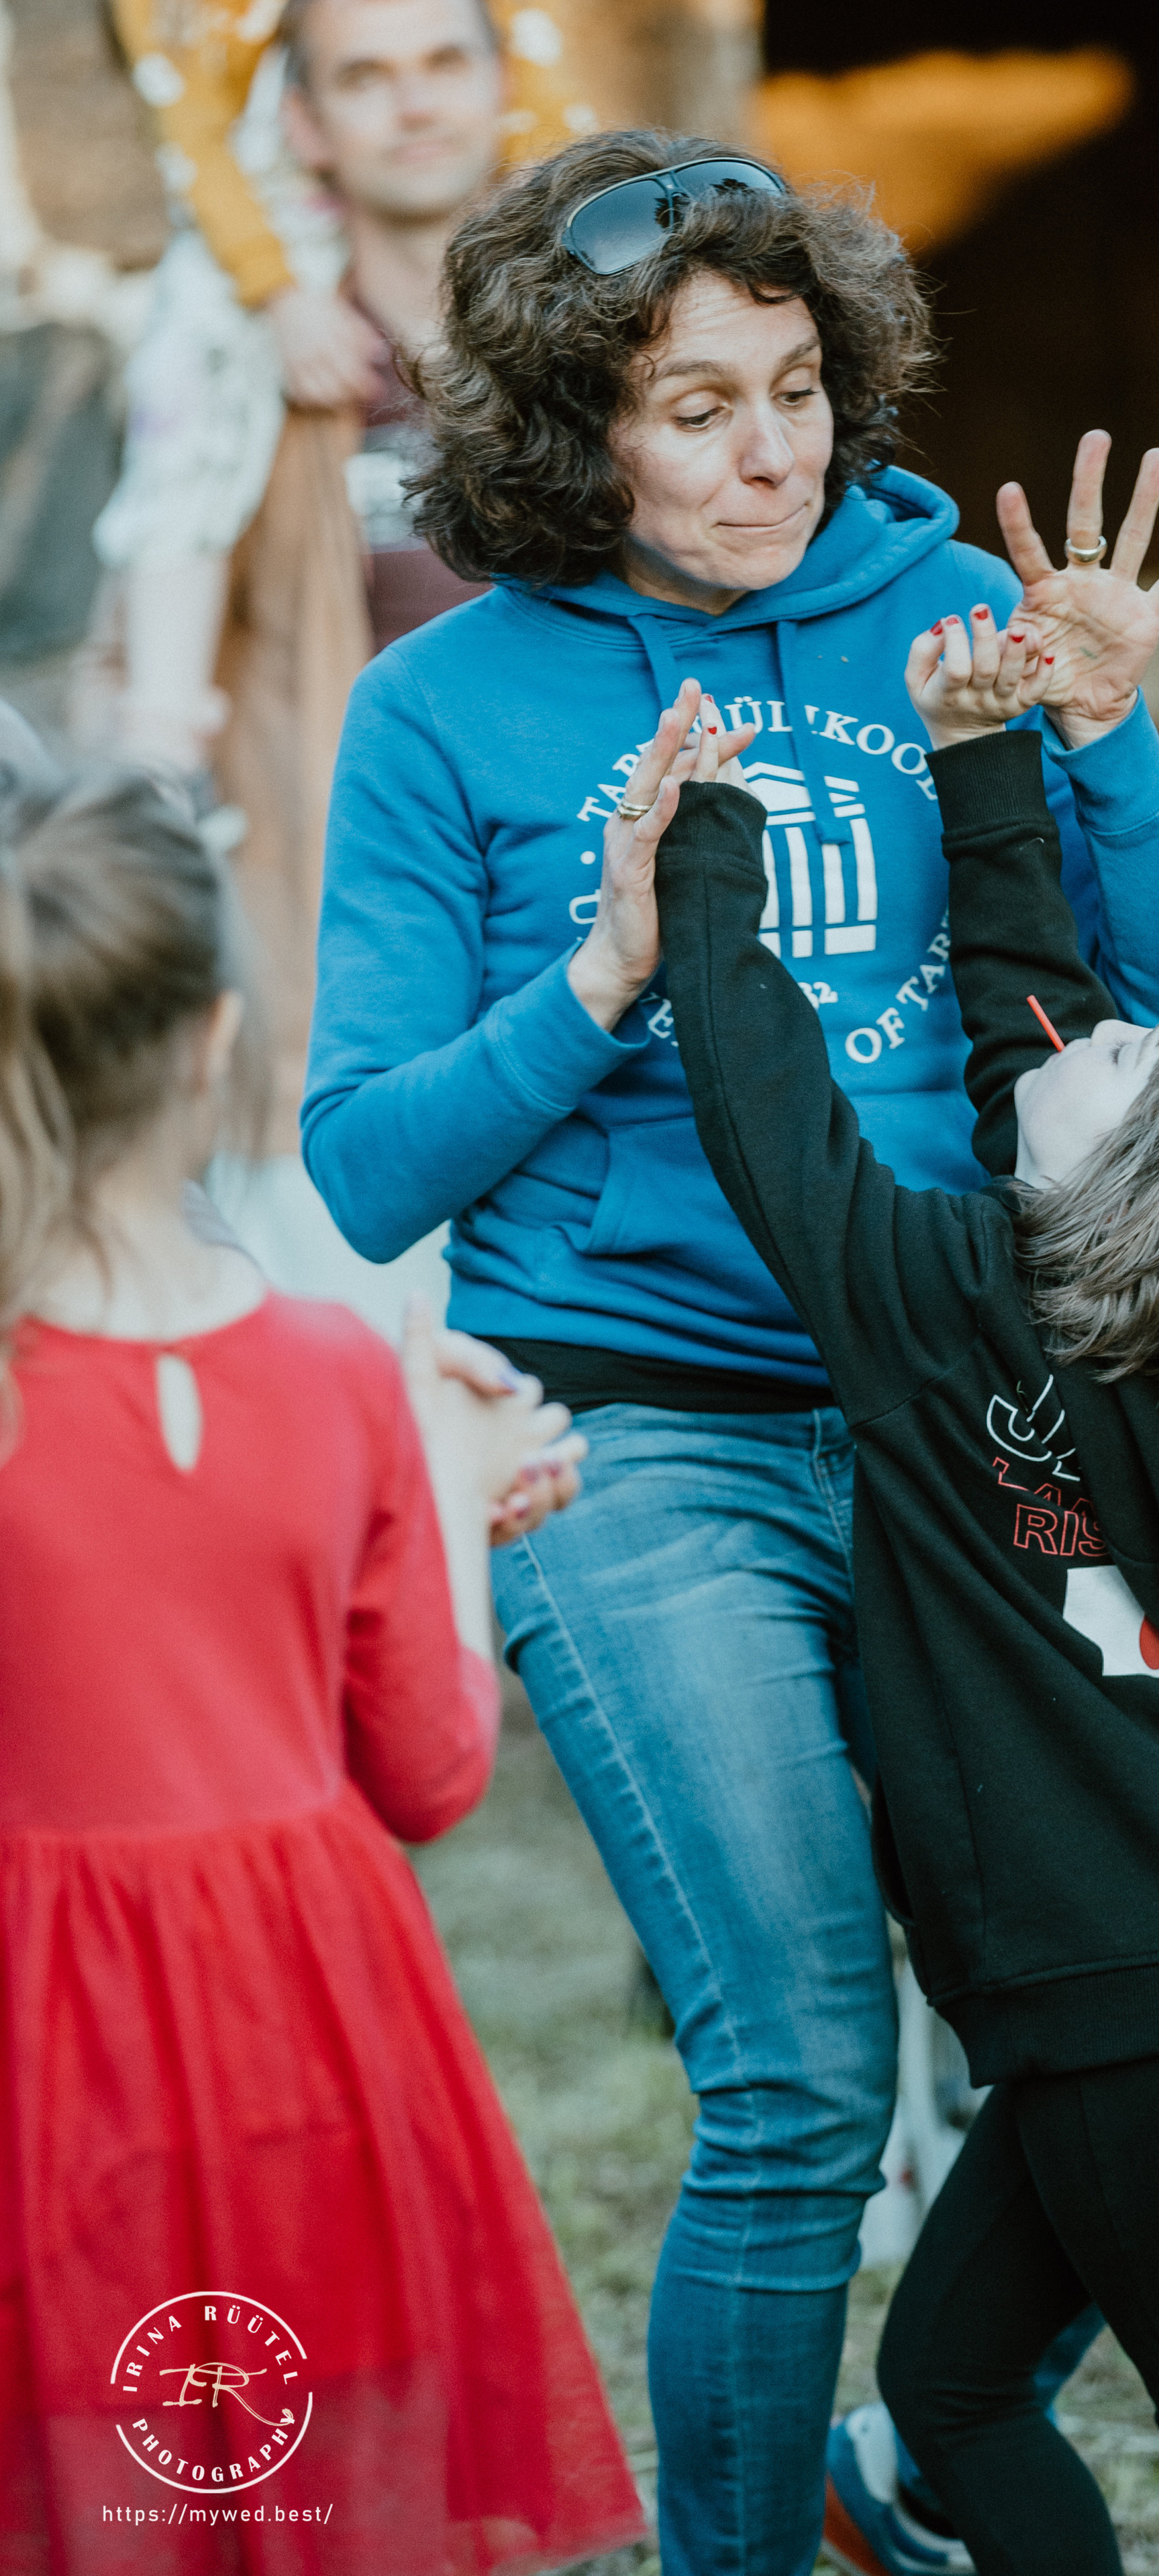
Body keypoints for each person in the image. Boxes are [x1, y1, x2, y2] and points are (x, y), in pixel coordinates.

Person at [303, 126, 1159, 2576]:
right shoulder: (445, 716)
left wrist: (1106, 734)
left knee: (1107, 2014)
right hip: (641, 1438)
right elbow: (364, 1167)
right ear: (564, 434)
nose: (768, 452)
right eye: (695, 406)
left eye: (794, 386)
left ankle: (924, 2455)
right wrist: (603, 977)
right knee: (800, 2084)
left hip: (969, 1423)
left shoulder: (947, 601)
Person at [623, 610, 1159, 2573]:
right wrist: (985, 766)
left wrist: (709, 857)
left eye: (1142, 1058)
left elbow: (770, 1118)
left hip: (1107, 1989)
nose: (1110, 1031)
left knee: (991, 2406)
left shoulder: (941, 1309)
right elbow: (1036, 1041)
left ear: (1127, 1198)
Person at [0, 736, 642, 2571]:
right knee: (291, 2503)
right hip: (308, 2055)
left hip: (45, 2061)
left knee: (85, 2507)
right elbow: (432, 1773)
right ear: (213, 1043)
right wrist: (445, 1490)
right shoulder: (346, 1379)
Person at [102, 0, 591, 781]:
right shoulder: (254, 373)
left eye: (445, 64)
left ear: (500, 83)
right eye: (366, 77)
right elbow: (185, 119)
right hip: (365, 848)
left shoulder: (593, 325)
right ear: (305, 119)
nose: (416, 108)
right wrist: (272, 286)